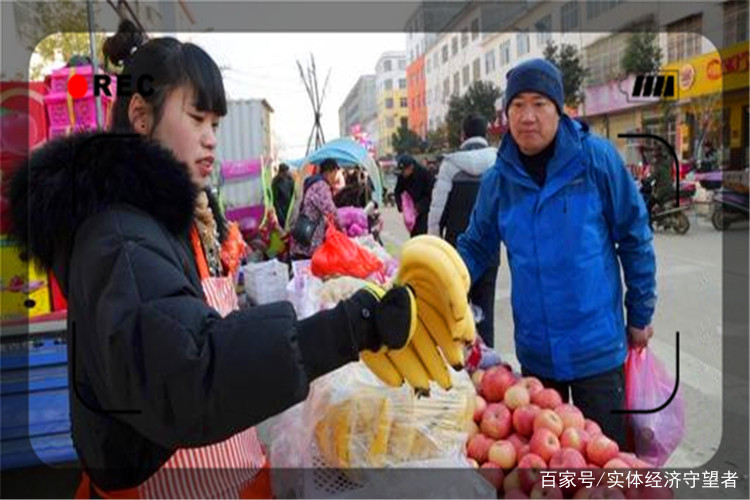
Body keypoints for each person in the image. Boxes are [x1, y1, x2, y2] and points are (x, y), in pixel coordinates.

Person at [7, 21, 414, 498]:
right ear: (140, 116)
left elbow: (201, 325)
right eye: (197, 118)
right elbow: (192, 371)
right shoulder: (117, 236)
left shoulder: (169, 216)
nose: (211, 138)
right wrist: (348, 327)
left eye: (215, 124)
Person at [457, 59, 656, 449]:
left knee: (605, 467)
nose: (527, 117)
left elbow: (634, 235)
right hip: (537, 353)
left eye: (539, 104)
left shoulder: (596, 160)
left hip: (597, 352)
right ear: (506, 112)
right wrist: (436, 282)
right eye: (517, 105)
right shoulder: (498, 180)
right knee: (550, 472)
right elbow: (476, 245)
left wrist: (642, 312)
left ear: (559, 108)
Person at [427, 114, 500, 347]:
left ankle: (460, 369)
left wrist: (433, 245)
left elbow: (436, 212)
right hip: (490, 251)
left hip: (455, 253)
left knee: (456, 314)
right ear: (486, 133)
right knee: (485, 313)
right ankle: (489, 369)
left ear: (462, 135)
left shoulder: (451, 165)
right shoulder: (498, 163)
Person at [290, 158, 342, 259]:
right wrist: (342, 229)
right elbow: (330, 210)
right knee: (308, 266)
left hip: (304, 229)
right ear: (329, 172)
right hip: (310, 237)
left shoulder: (313, 181)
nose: (335, 178)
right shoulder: (321, 186)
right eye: (335, 174)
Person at [394, 154, 434, 236]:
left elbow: (431, 194)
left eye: (404, 170)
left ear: (411, 167)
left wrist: (419, 207)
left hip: (423, 210)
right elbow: (397, 191)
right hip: (411, 210)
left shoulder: (424, 174)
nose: (403, 173)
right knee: (413, 234)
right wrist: (401, 205)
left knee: (422, 233)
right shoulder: (402, 177)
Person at [272, 162, 295, 229]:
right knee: (284, 226)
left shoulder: (290, 180)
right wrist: (280, 214)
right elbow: (275, 200)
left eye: (286, 172)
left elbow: (293, 193)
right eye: (284, 173)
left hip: (290, 207)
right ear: (280, 172)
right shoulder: (275, 182)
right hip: (281, 209)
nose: (285, 175)